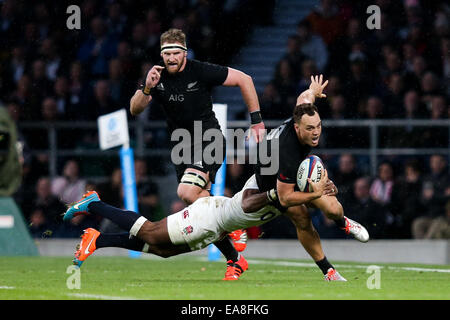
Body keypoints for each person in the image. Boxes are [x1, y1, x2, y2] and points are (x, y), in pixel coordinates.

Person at [63, 168, 342, 281]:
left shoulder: (295, 201)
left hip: (216, 225)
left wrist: (326, 192)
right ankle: (93, 203)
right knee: (150, 231)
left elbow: (325, 210)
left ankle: (96, 240)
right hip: (209, 216)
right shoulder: (271, 187)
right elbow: (247, 204)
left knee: (164, 251)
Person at [129, 29, 265, 260]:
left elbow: (245, 79)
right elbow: (135, 109)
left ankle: (234, 222)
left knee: (186, 191)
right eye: (166, 53)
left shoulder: (200, 70)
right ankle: (235, 260)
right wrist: (147, 88)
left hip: (209, 139)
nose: (171, 58)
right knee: (201, 206)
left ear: (184, 52)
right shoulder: (156, 75)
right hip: (181, 147)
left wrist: (257, 121)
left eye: (176, 52)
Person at [254, 74, 369, 280]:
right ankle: (328, 270)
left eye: (319, 126)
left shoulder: (303, 111)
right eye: (310, 129)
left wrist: (313, 91)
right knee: (302, 218)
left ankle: (342, 222)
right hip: (271, 182)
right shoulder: (287, 152)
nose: (316, 132)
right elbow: (285, 198)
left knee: (333, 209)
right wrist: (315, 194)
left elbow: (304, 98)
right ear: (297, 128)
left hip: (294, 169)